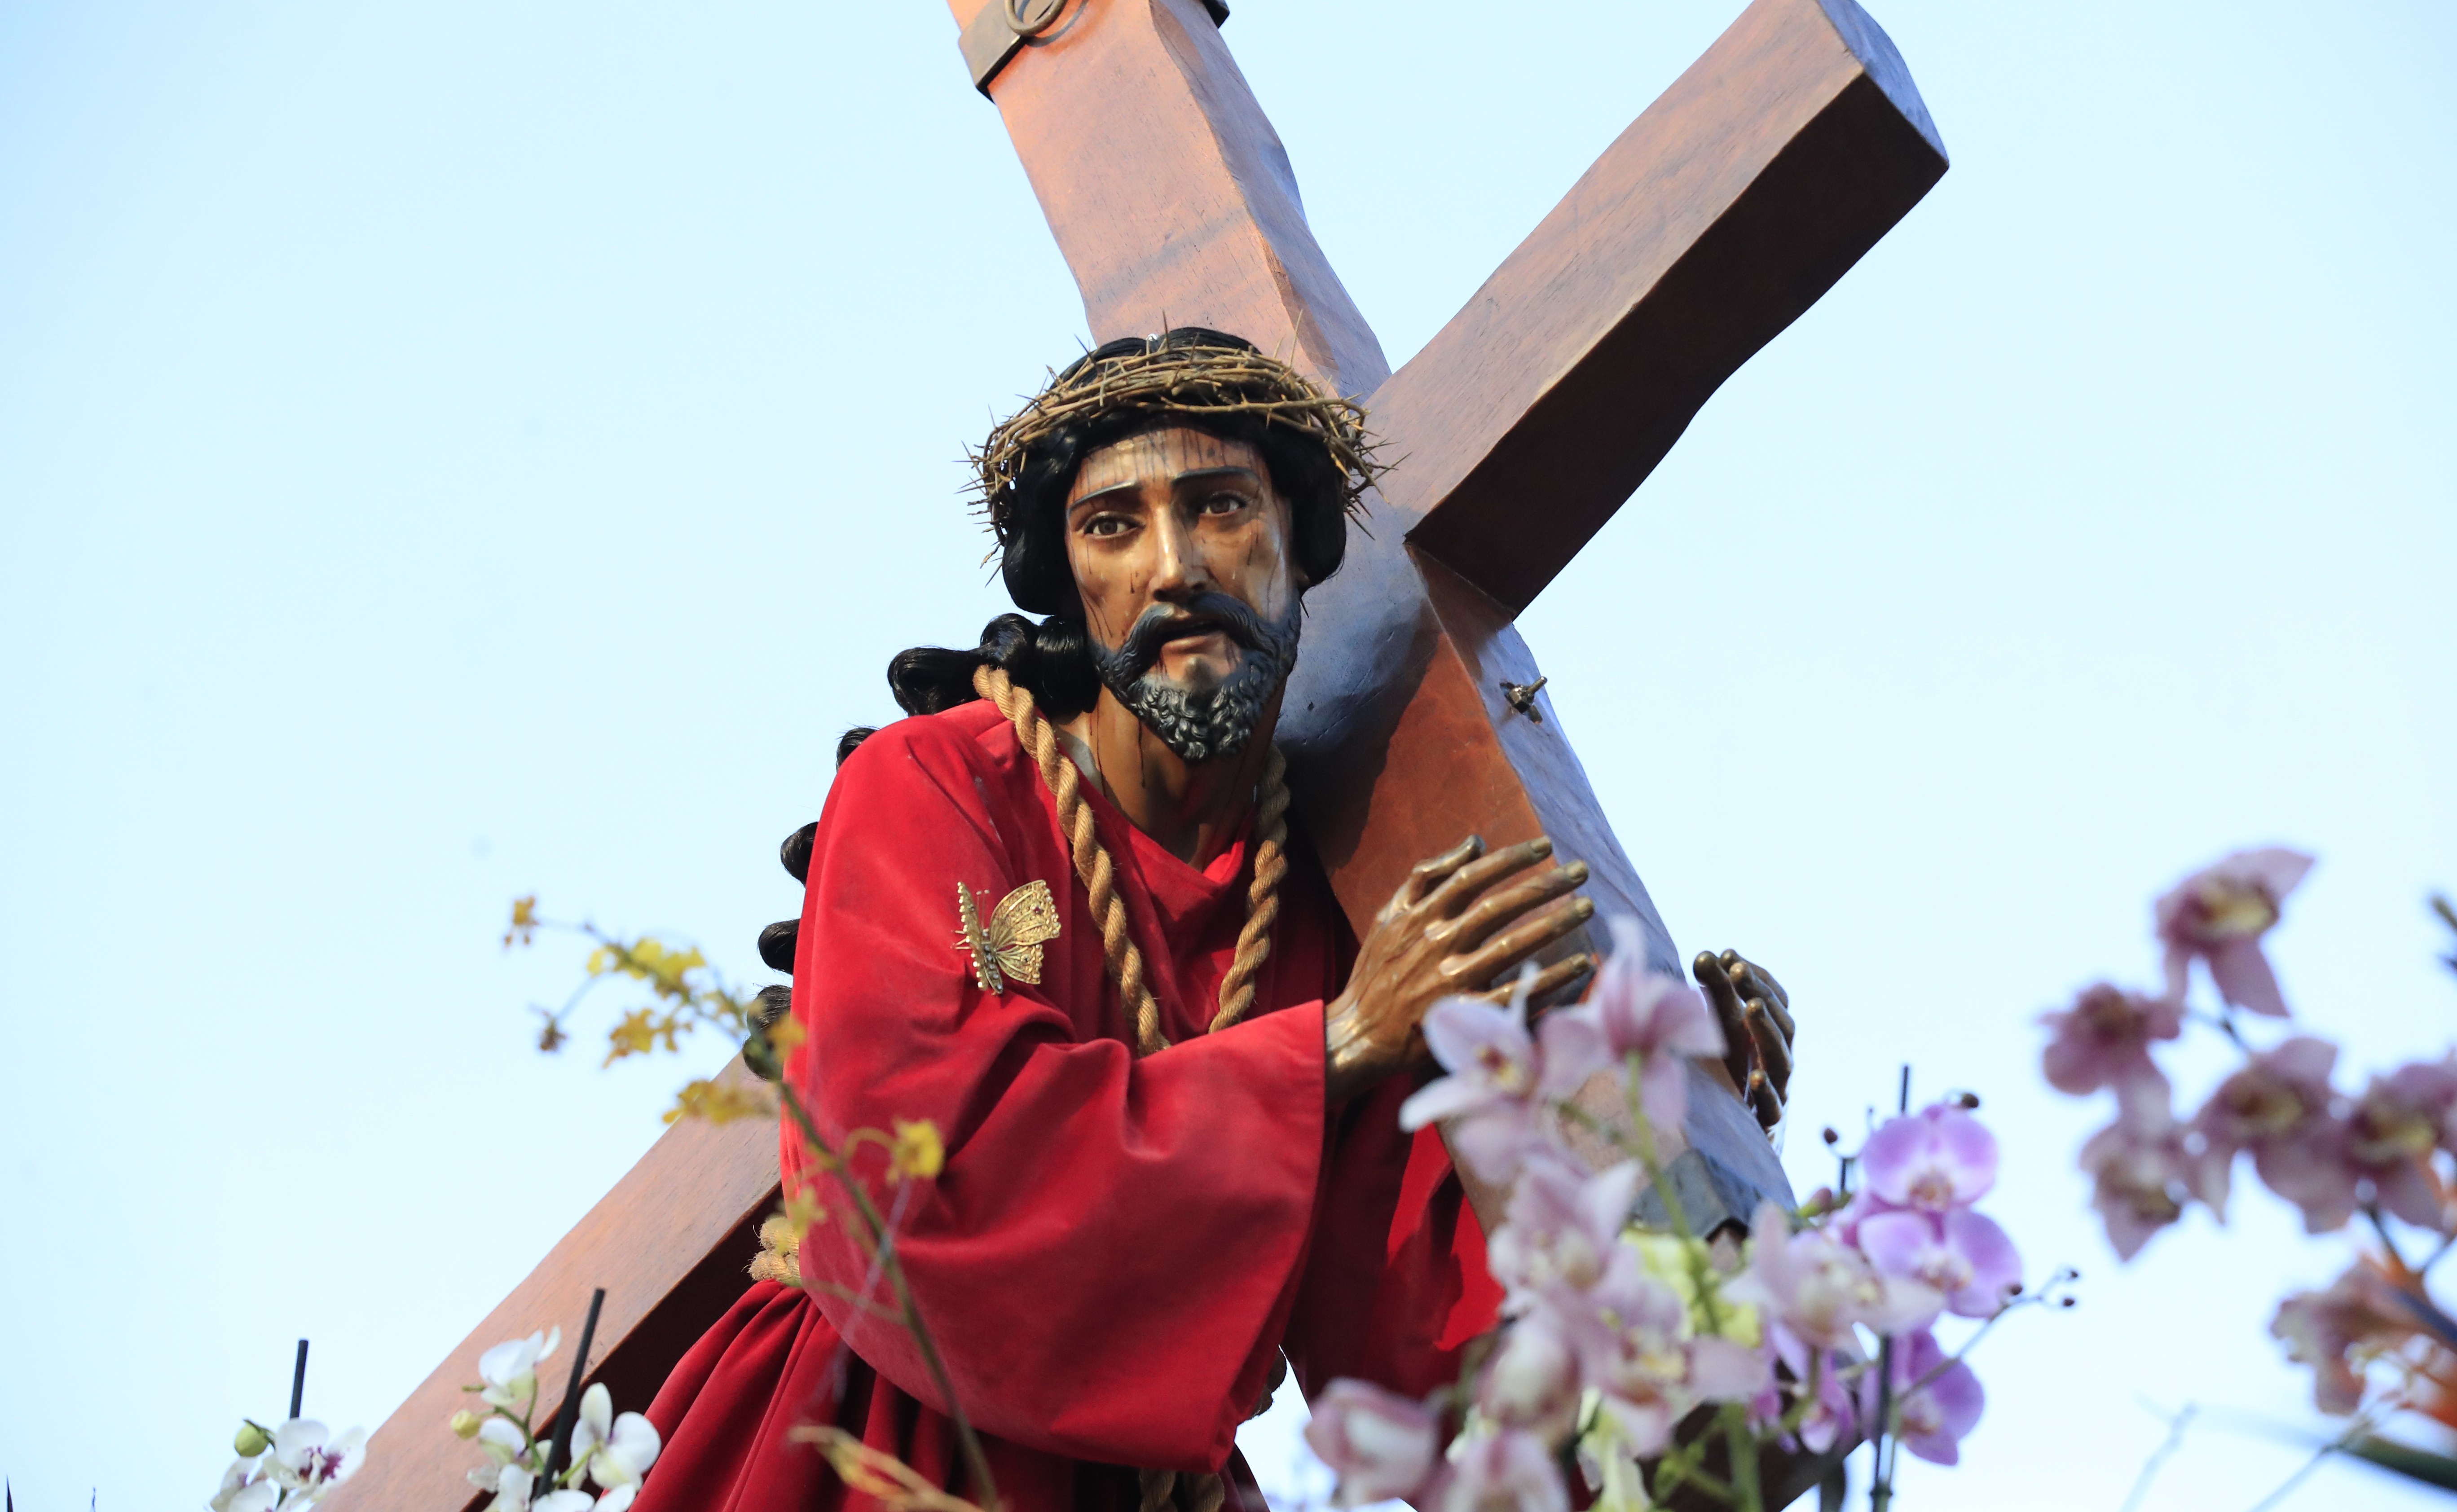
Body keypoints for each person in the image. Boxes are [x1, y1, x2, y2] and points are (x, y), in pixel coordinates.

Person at [637, 329, 1791, 1512]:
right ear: (1070, 585)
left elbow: (1425, 1342)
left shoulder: (1334, 911)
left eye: (1222, 506)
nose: (1174, 567)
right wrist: (1335, 1047)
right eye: (1112, 527)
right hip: (863, 1439)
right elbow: (923, 1179)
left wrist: (1654, 1123)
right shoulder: (938, 786)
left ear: (1299, 550)